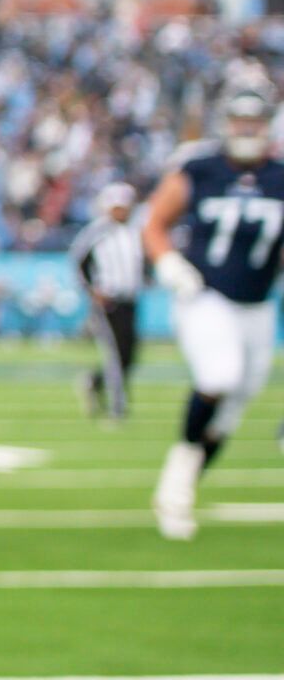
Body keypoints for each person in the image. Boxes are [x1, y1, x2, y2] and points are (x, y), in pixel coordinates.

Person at [142, 79, 283, 541]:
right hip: (206, 295)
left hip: (258, 306)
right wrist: (167, 263)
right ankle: (179, 476)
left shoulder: (279, 176)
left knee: (232, 409)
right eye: (240, 120)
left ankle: (182, 483)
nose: (247, 128)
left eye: (254, 121)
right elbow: (155, 223)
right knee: (218, 376)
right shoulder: (200, 168)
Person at [70, 182, 144, 420]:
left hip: (130, 299)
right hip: (108, 301)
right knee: (114, 354)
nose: (122, 212)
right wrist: (92, 291)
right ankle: (118, 407)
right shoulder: (97, 231)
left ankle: (94, 382)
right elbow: (78, 262)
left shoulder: (136, 230)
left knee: (129, 354)